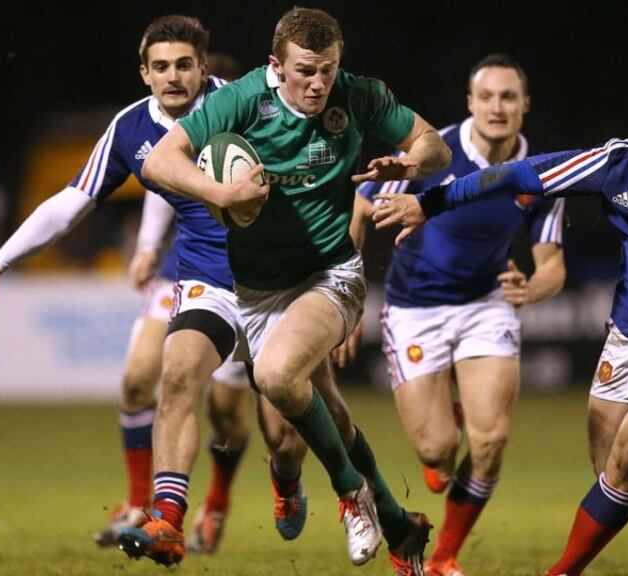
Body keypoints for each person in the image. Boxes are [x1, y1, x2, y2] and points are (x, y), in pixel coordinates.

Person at [373, 75, 628, 576]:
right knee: (618, 464)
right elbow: (519, 175)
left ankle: (561, 573)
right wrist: (429, 202)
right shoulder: (617, 163)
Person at [140, 7, 452, 574]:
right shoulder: (239, 100)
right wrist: (221, 193)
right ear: (275, 67)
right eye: (305, 70)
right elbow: (162, 161)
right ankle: (399, 523)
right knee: (324, 410)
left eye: (327, 70)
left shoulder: (357, 96)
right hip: (256, 290)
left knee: (277, 375)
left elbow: (435, 145)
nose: (317, 84)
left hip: (330, 273)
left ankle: (352, 493)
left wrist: (411, 163)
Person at [0, 14, 255, 560]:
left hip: (274, 281)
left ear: (202, 68)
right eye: (161, 66)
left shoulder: (243, 104)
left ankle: (293, 489)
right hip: (199, 277)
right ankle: (157, 514)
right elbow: (72, 203)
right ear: (144, 72)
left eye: (184, 65)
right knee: (159, 379)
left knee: (266, 424)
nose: (173, 77)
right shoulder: (130, 128)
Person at [347, 53, 566, 576]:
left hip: (485, 307)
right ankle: (445, 428)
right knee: (437, 452)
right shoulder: (434, 155)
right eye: (486, 96)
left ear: (524, 106)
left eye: (508, 97)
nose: (497, 106)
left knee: (490, 440)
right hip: (414, 310)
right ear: (470, 103)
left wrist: (531, 290)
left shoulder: (540, 173)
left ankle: (444, 554)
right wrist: (348, 298)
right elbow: (360, 205)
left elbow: (552, 265)